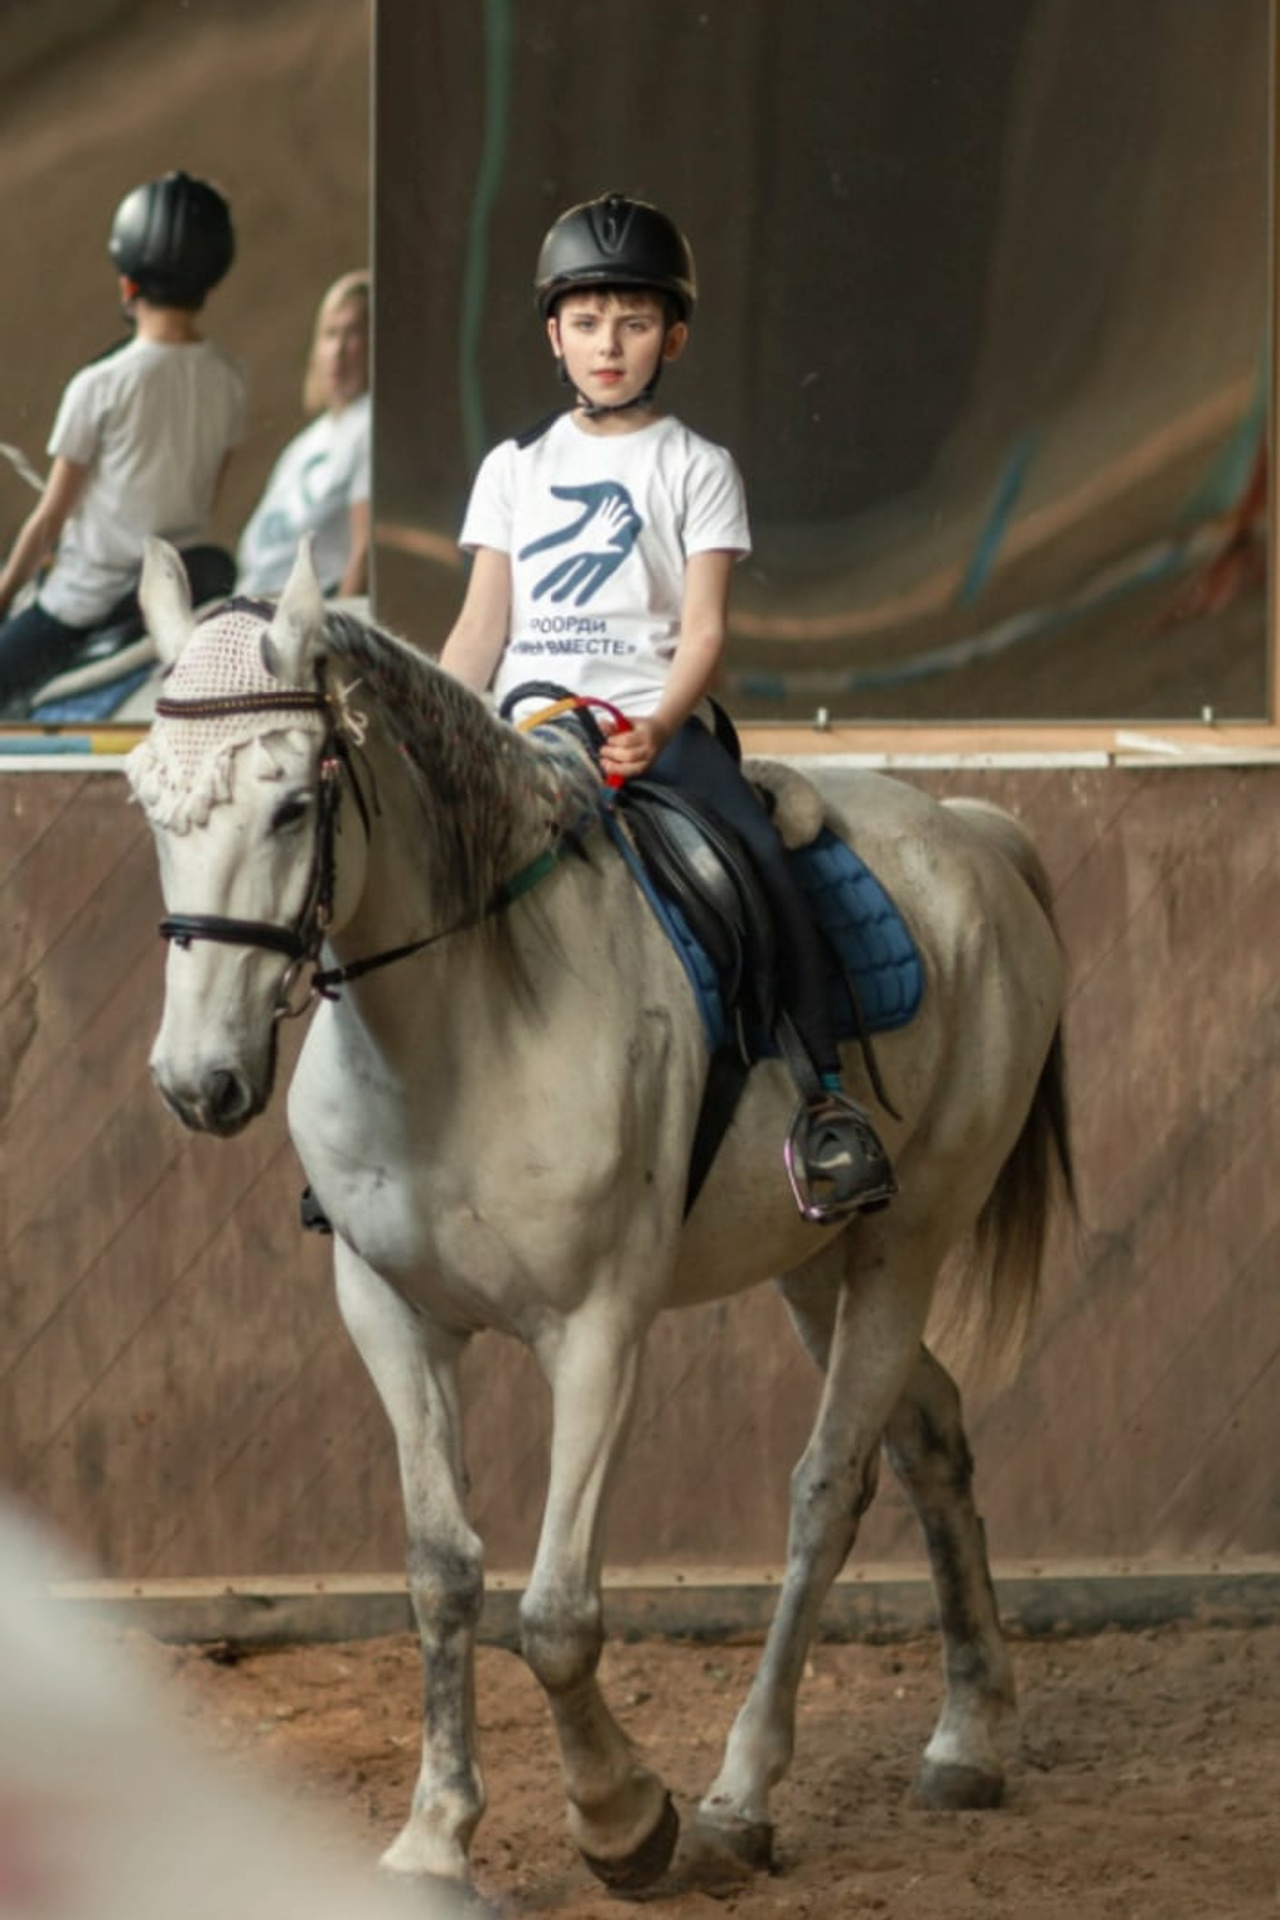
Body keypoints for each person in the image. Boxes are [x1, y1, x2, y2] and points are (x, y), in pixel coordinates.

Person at [439, 192, 895, 1223]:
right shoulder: (513, 467)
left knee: (754, 855)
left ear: (672, 337)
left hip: (647, 726)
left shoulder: (696, 467)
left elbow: (702, 632)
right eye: (588, 322)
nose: (610, 344)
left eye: (634, 322)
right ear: (553, 334)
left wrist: (659, 722)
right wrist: (430, 724)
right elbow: (477, 632)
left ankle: (825, 1100)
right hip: (524, 731)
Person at [0, 170, 246, 715]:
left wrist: (4, 595)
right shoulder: (231, 380)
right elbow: (206, 496)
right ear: (211, 284)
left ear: (127, 283)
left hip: (90, 601)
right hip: (182, 582)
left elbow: (48, 523)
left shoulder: (99, 385)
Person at [236, 270, 371, 598]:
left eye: (353, 333)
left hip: (308, 621)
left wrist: (343, 643)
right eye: (330, 334)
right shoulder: (304, 445)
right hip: (253, 604)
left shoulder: (370, 425)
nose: (338, 350)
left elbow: (365, 550)